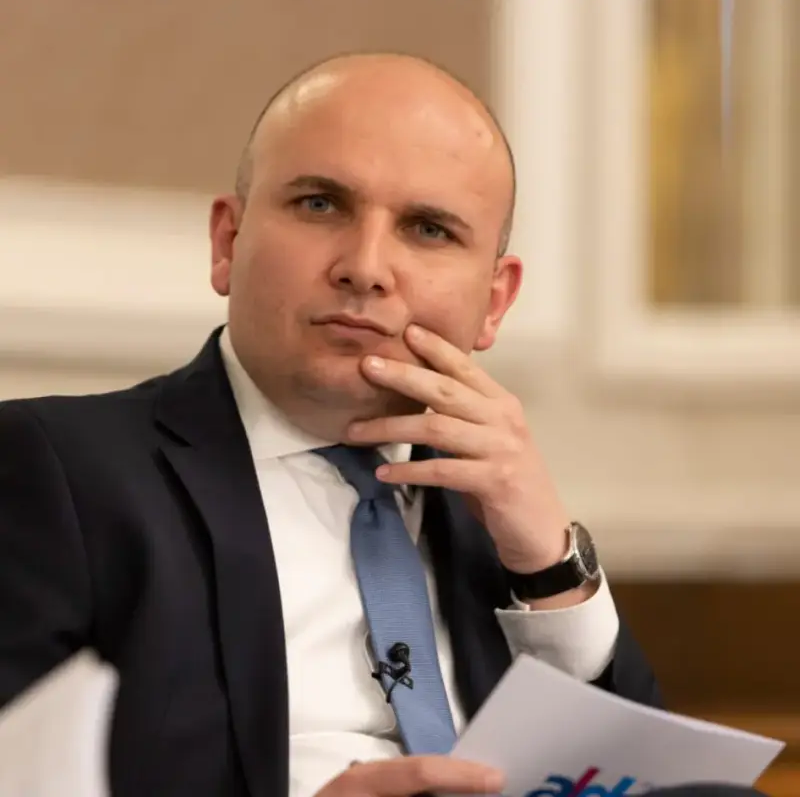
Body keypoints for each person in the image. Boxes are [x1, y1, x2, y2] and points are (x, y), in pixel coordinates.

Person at [0, 53, 766, 797]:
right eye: (320, 204)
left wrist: (549, 567)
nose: (365, 267)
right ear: (228, 242)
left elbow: (643, 776)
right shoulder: (56, 472)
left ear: (495, 302)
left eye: (428, 229)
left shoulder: (493, 520)